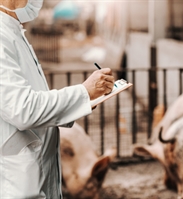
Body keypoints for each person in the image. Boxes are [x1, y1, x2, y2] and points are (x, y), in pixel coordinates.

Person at [0, 0, 115, 198]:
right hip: (16, 183)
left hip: (32, 173)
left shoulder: (13, 31)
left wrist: (85, 101)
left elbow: (33, 101)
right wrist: (84, 93)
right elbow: (23, 109)